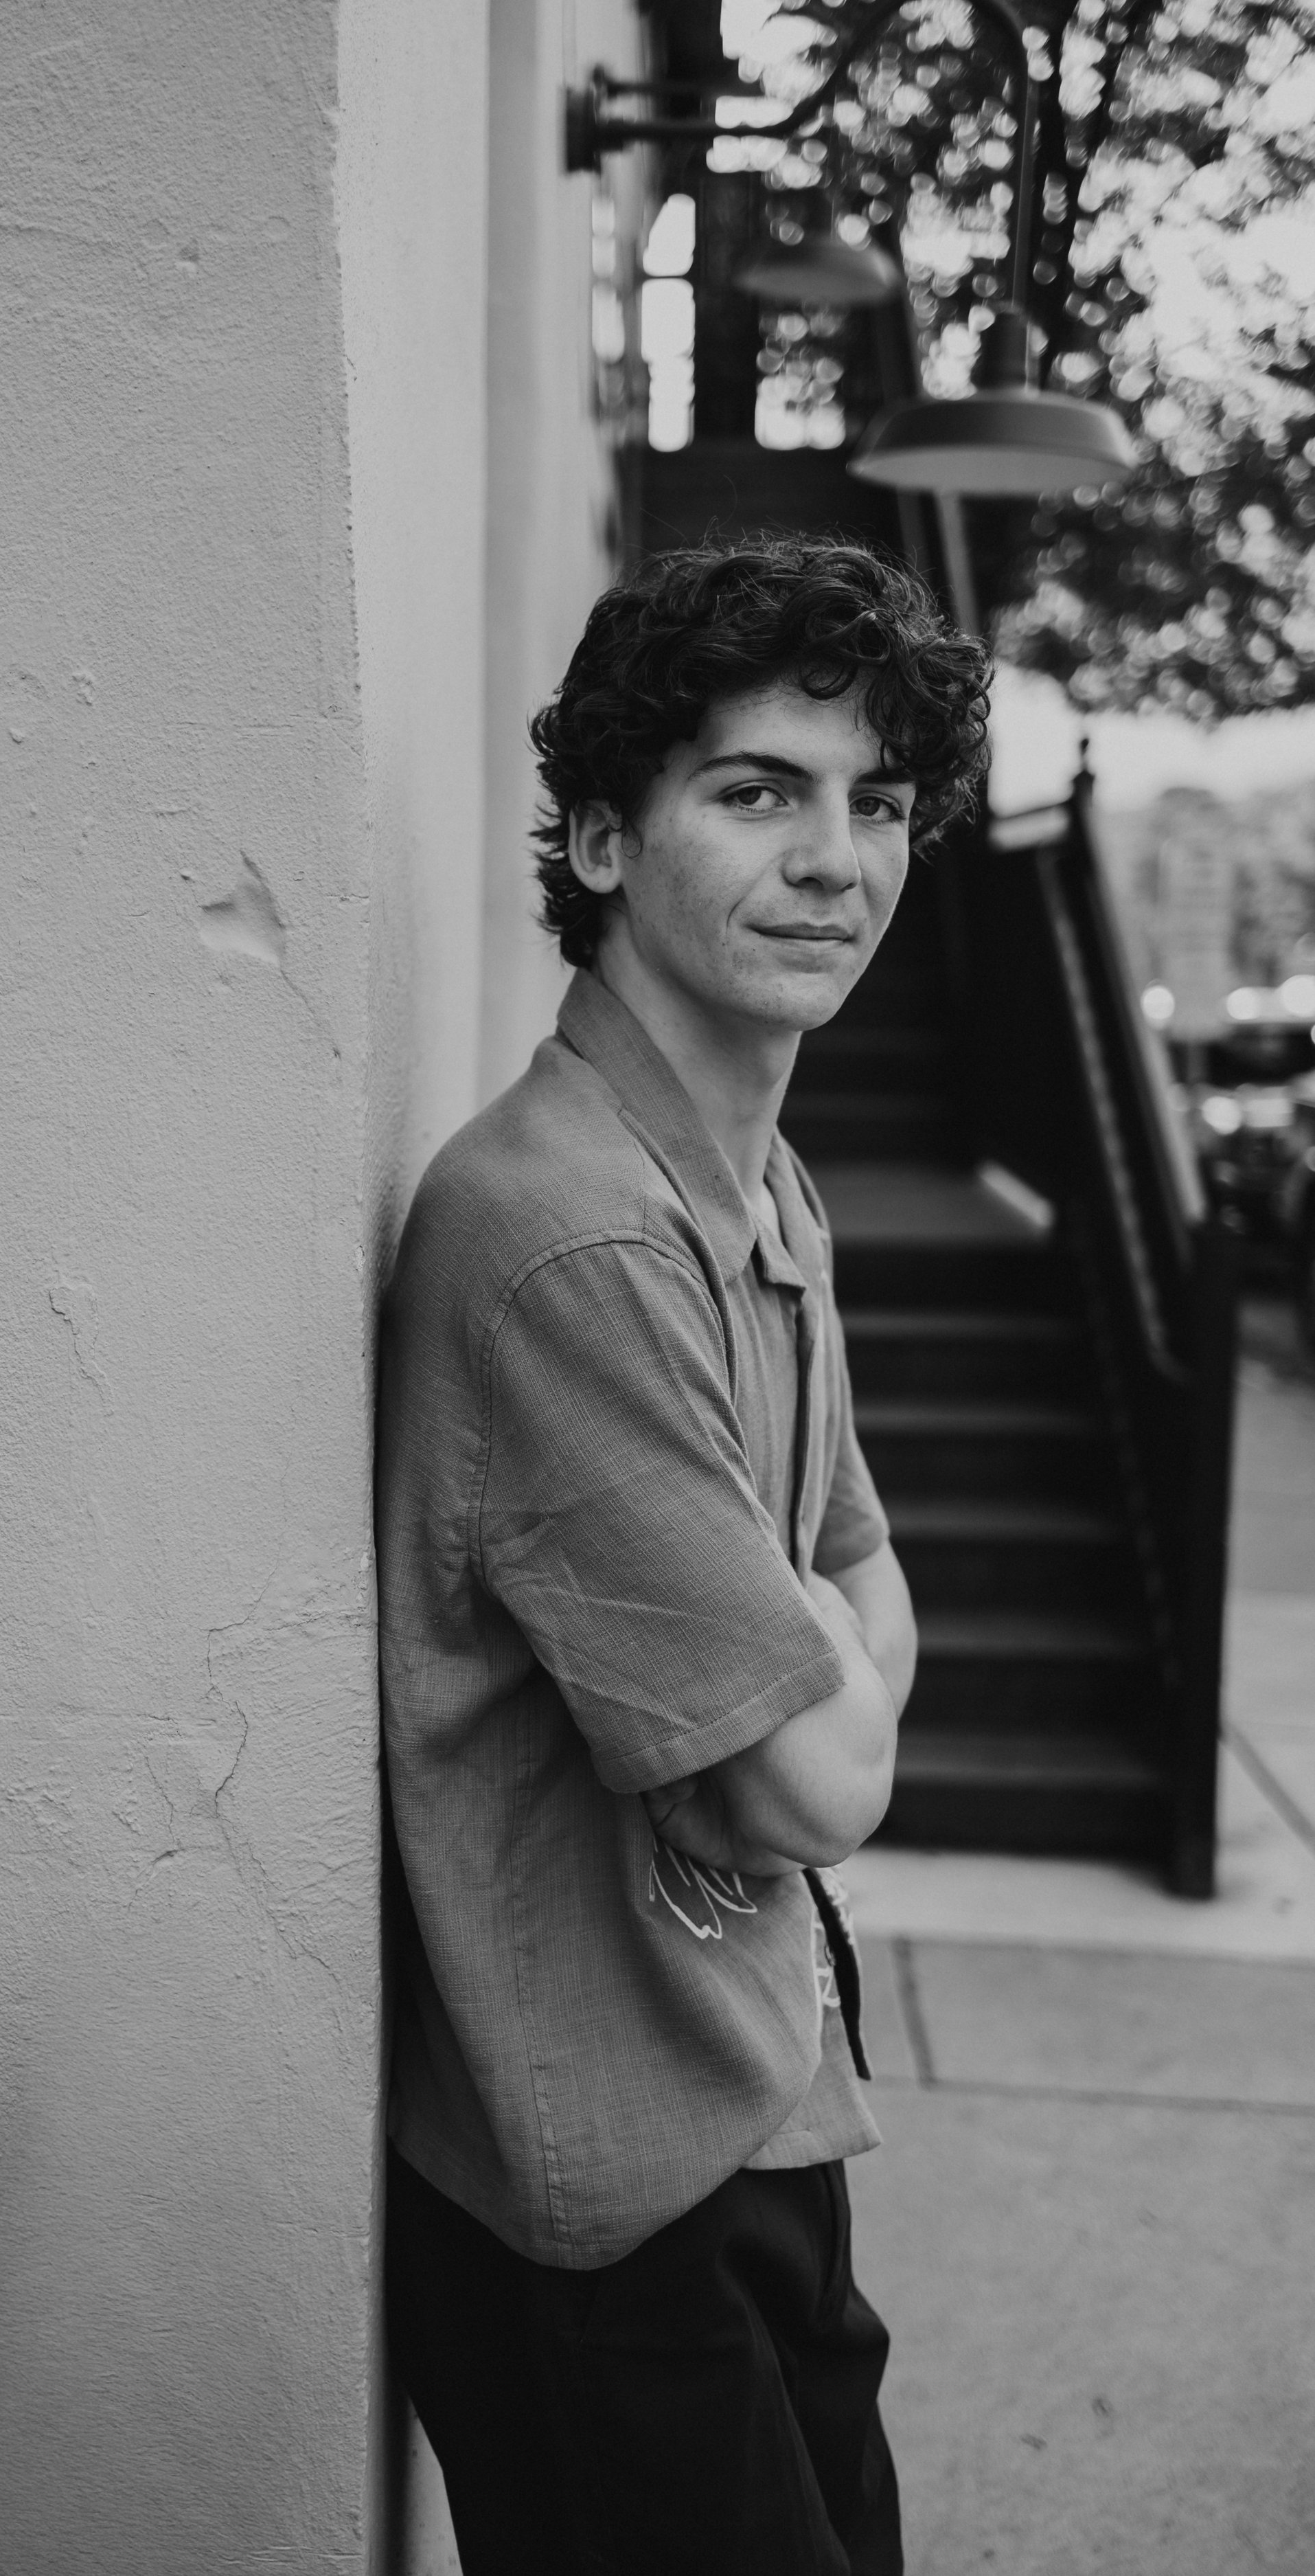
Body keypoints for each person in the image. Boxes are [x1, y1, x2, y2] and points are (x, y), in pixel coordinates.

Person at [376, 535, 992, 2576]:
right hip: (600, 2190)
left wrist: (810, 1641)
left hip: (761, 2076)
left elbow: (865, 1587)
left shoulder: (756, 1179)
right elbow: (825, 1772)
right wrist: (817, 1660)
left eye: (875, 803)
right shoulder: (566, 1234)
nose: (835, 858)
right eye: (755, 790)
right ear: (599, 831)